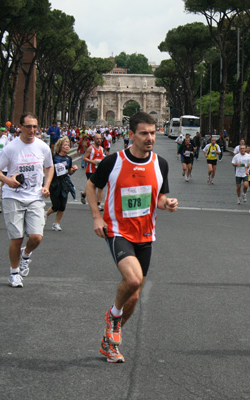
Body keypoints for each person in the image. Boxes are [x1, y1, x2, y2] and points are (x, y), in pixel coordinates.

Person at [85, 112, 178, 363]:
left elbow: (159, 197)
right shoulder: (113, 161)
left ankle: (110, 341)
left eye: (153, 132)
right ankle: (113, 316)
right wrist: (96, 217)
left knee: (134, 296)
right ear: (131, 135)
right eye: (144, 133)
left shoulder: (161, 164)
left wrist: (167, 203)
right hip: (117, 231)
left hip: (146, 234)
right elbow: (91, 186)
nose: (150, 138)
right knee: (134, 279)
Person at [0, 112, 54, 288]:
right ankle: (14, 273)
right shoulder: (11, 148)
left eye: (35, 126)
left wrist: (46, 186)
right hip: (13, 196)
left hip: (35, 197)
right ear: (20, 127)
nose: (32, 130)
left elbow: (49, 167)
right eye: (28, 126)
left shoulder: (43, 147)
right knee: (17, 237)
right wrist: (7, 180)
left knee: (36, 237)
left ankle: (25, 255)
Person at [46, 137, 78, 231]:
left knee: (63, 206)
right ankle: (46, 214)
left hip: (64, 184)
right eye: (65, 145)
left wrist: (73, 170)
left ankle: (56, 223)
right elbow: (48, 169)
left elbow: (69, 172)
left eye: (68, 145)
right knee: (56, 205)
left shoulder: (68, 159)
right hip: (54, 183)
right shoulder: (54, 157)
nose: (67, 147)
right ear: (60, 146)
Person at [81, 133, 105, 208]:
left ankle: (98, 204)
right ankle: (84, 194)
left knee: (100, 187)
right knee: (93, 187)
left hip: (100, 171)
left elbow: (102, 158)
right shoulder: (90, 148)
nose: (99, 140)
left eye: (100, 139)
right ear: (94, 139)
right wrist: (92, 161)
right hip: (91, 171)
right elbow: (84, 158)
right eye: (97, 139)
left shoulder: (101, 149)